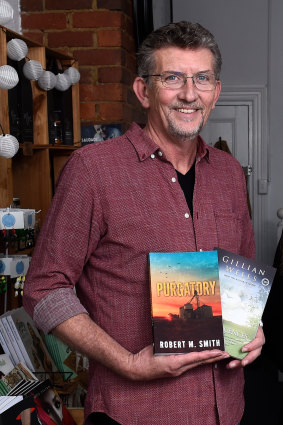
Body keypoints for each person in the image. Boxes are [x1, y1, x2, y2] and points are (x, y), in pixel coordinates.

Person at [23, 21, 265, 425]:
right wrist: (130, 363)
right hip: (135, 412)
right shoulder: (93, 171)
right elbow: (44, 289)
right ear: (143, 91)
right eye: (172, 77)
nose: (189, 93)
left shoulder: (229, 173)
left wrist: (251, 331)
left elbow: (242, 281)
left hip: (227, 408)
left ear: (216, 92)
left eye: (202, 79)